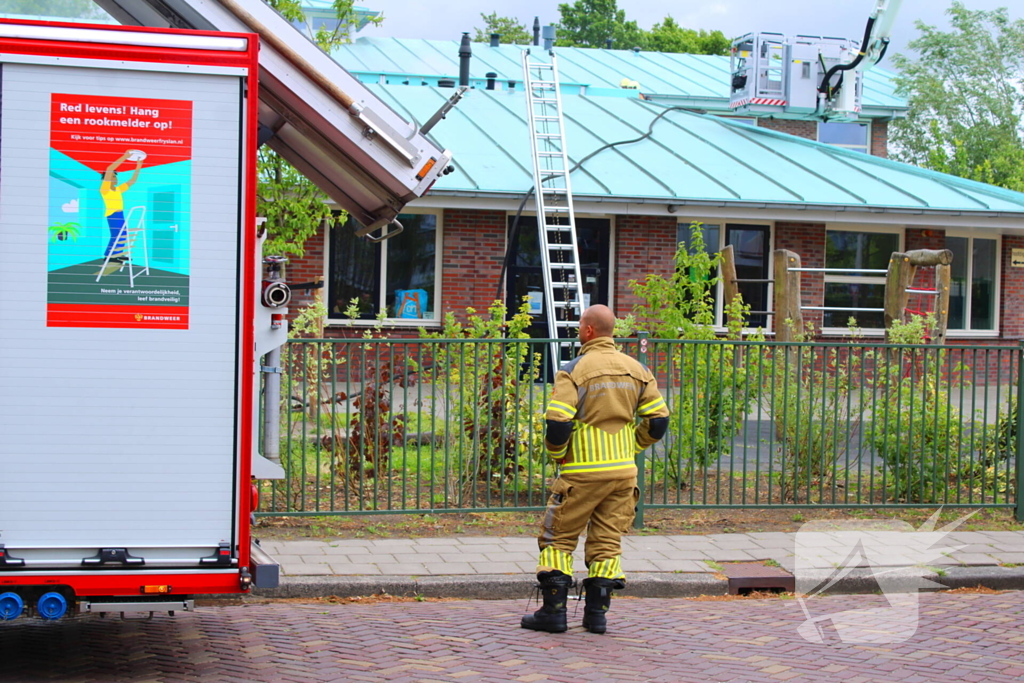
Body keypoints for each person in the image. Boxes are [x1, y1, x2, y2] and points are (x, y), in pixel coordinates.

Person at [521, 305, 670, 635]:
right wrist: (631, 446)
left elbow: (558, 422)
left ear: (588, 331)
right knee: (607, 542)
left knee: (557, 538)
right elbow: (659, 421)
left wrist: (558, 454)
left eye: (579, 327)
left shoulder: (573, 370)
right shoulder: (638, 369)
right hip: (623, 474)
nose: (578, 331)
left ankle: (554, 613)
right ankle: (596, 617)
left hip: (582, 473)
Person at [99, 150, 144, 264]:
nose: (115, 178)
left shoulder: (118, 190)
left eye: (116, 176)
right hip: (112, 215)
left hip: (120, 214)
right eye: (113, 176)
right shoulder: (105, 189)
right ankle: (109, 256)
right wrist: (125, 156)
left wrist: (138, 165)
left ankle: (117, 254)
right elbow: (109, 169)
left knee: (123, 234)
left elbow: (132, 181)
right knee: (116, 235)